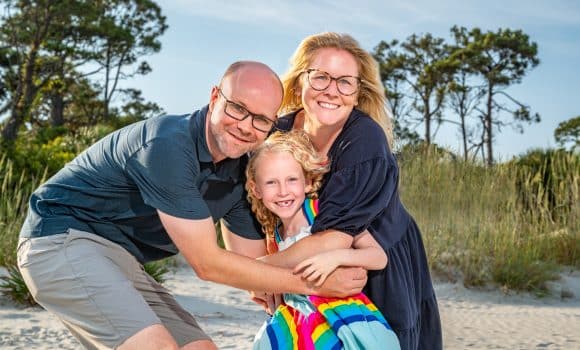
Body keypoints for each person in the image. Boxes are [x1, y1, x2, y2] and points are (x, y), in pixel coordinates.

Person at [16, 61, 367, 350]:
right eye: (238, 108)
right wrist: (316, 284)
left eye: (261, 120)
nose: (246, 126)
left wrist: (284, 292)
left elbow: (253, 266)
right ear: (215, 97)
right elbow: (207, 264)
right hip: (59, 241)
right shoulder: (167, 145)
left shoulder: (243, 173)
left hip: (122, 262)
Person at [236, 33, 443, 349]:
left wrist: (257, 273)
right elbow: (261, 206)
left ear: (358, 93)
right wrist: (266, 270)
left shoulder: (365, 143)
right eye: (320, 77)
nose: (331, 90)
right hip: (301, 260)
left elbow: (335, 238)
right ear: (299, 82)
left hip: (372, 254)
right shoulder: (276, 133)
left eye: (345, 82)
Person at [245, 130, 401, 349]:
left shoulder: (324, 214)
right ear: (256, 189)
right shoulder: (274, 235)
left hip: (338, 311)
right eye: (271, 182)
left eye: (292, 180)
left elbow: (378, 257)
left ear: (307, 182)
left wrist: (336, 257)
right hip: (295, 317)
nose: (283, 191)